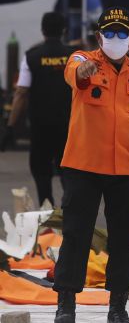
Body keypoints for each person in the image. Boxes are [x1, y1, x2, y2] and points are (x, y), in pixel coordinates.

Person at [53, 7, 129, 323]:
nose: (115, 38)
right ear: (99, 36)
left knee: (125, 239)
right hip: (84, 166)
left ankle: (118, 307)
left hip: (128, 170)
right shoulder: (83, 60)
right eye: (110, 32)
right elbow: (73, 73)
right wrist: (82, 72)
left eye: (122, 33)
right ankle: (66, 304)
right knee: (76, 234)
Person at [0, 12, 74, 207]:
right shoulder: (74, 55)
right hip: (69, 126)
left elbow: (21, 93)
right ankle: (70, 211)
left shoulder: (31, 57)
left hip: (40, 126)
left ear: (42, 30)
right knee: (69, 171)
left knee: (41, 172)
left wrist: (10, 126)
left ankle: (47, 210)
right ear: (64, 30)